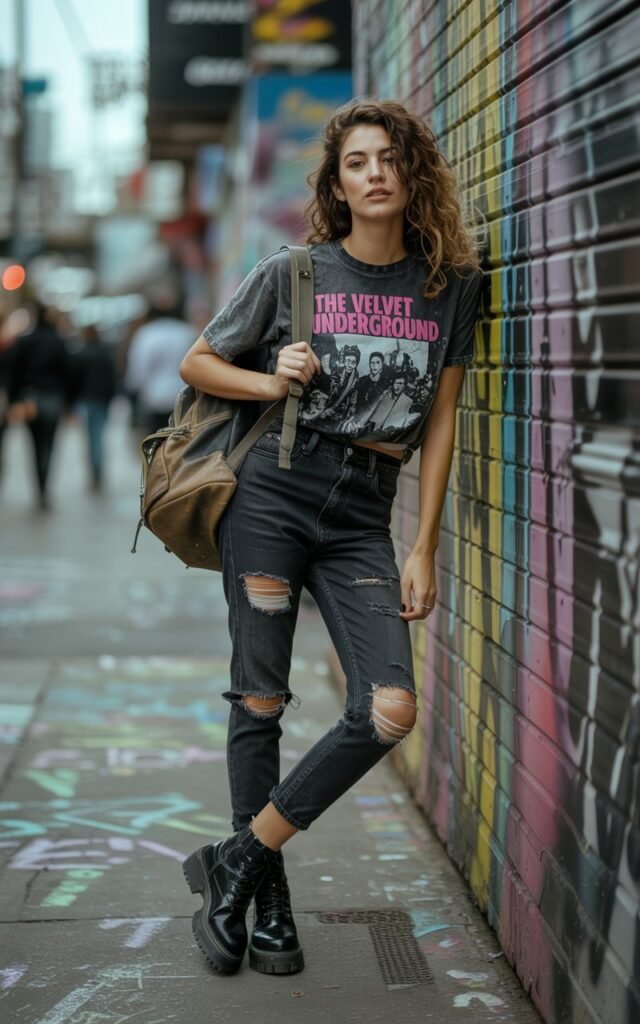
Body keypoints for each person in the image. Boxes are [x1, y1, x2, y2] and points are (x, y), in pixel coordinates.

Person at [178, 99, 482, 978]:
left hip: (362, 514)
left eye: (389, 158)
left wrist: (422, 546)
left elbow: (442, 425)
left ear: (411, 172)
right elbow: (202, 362)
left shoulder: (450, 285)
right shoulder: (295, 273)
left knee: (388, 708)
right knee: (260, 700)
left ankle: (239, 860)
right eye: (357, 161)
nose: (375, 172)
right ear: (337, 181)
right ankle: (264, 898)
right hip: (274, 493)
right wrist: (271, 377)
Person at [5, 301, 74, 509]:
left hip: (30, 400)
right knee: (49, 445)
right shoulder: (58, 341)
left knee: (34, 445)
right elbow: (68, 372)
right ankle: (45, 486)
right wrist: (69, 402)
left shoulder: (25, 341)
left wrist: (13, 400)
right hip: (53, 398)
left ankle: (39, 486)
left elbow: (14, 373)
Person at [124, 302, 195, 434]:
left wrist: (135, 387)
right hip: (184, 394)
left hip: (156, 395)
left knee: (158, 438)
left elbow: (139, 366)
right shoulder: (187, 331)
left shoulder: (147, 333)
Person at [74, 324, 117, 491]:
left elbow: (75, 379)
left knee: (90, 437)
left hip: (86, 399)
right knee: (98, 435)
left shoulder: (81, 353)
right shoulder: (104, 352)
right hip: (101, 399)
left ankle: (94, 470)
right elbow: (112, 377)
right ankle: (98, 470)